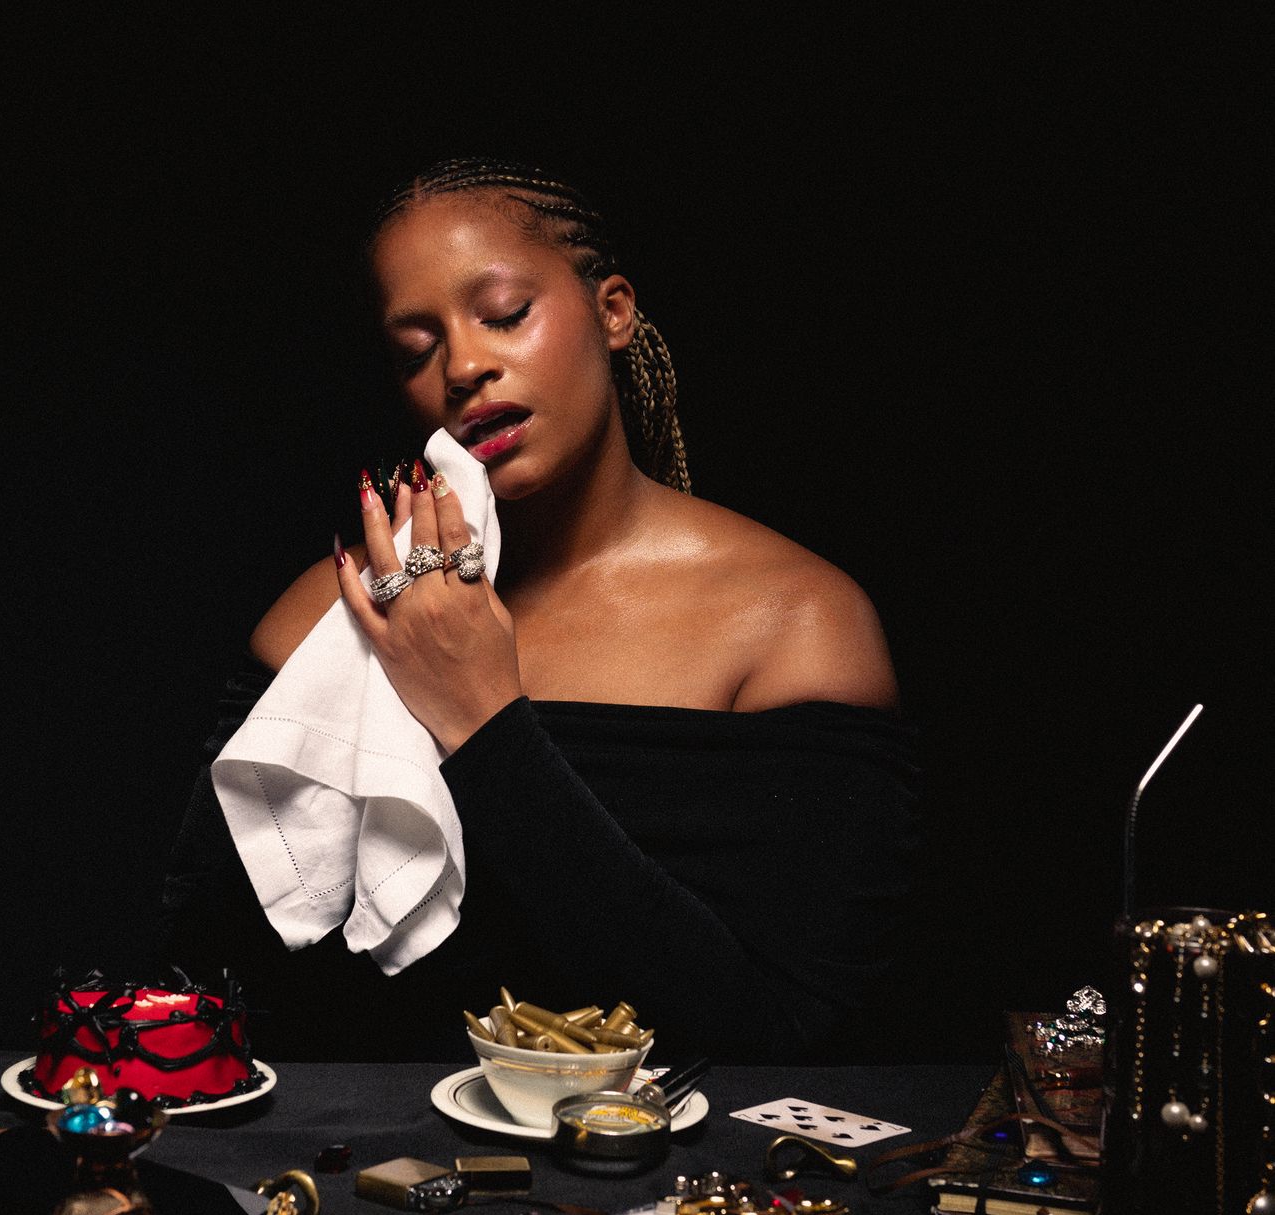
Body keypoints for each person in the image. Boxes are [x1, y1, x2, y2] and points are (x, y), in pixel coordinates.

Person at [161, 159, 918, 1063]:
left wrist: (483, 719)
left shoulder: (796, 622)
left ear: (614, 311)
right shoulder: (336, 615)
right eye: (417, 351)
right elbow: (207, 981)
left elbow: (785, 1030)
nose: (464, 366)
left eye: (505, 314)